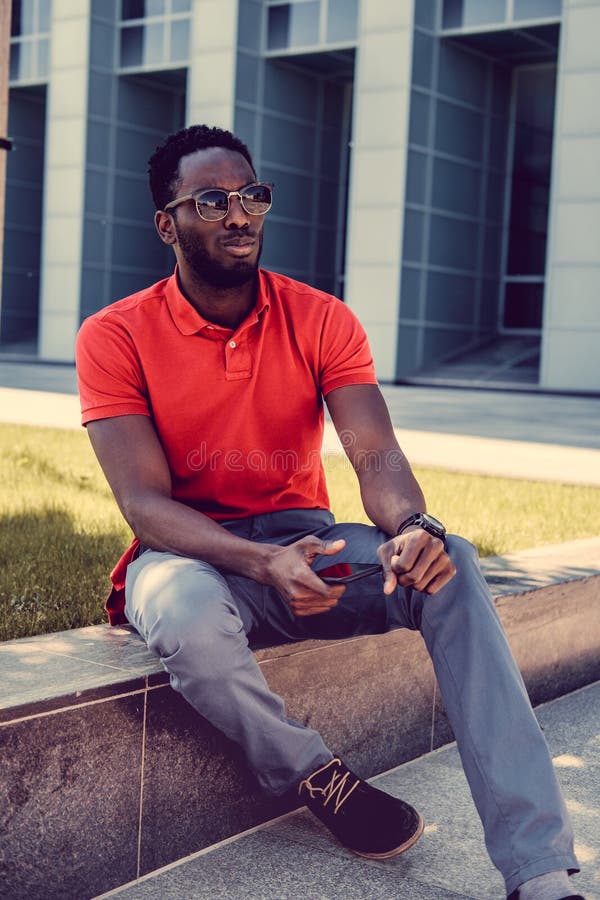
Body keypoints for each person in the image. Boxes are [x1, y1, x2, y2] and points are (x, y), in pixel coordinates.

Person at [75, 124, 583, 900]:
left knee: (454, 568)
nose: (239, 214)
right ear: (166, 223)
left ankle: (540, 867)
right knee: (183, 615)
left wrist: (413, 528)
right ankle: (314, 776)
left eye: (252, 195)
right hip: (190, 556)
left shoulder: (320, 318)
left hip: (308, 548)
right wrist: (254, 562)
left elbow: (375, 456)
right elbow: (143, 504)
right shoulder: (113, 335)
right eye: (212, 200)